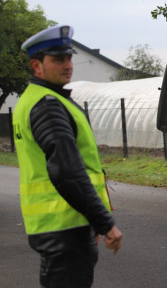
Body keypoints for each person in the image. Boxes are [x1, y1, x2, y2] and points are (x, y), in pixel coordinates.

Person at [13, 25, 123, 287]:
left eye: (69, 58)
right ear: (37, 66)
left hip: (59, 226)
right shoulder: (48, 106)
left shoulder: (36, 99)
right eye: (58, 60)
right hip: (64, 228)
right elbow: (68, 173)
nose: (67, 65)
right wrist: (104, 223)